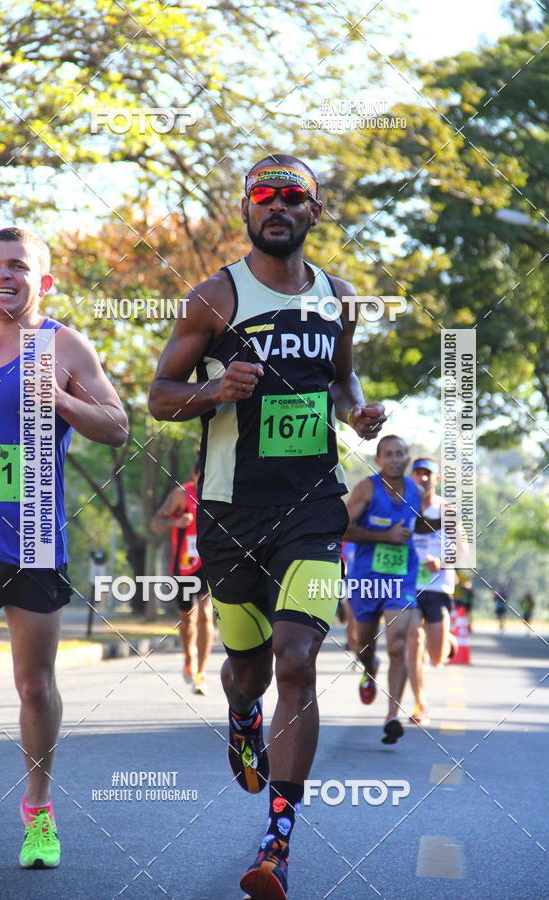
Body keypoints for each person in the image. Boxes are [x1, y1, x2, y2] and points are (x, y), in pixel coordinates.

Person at [149, 153, 386, 899]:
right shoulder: (214, 297)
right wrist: (216, 388)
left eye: (292, 196)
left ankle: (276, 843)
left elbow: (341, 379)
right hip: (231, 513)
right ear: (247, 209)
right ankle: (242, 710)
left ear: (314, 211)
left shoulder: (338, 299)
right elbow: (158, 395)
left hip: (312, 509)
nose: (276, 206)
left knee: (297, 657)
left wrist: (357, 412)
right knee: (249, 668)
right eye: (263, 196)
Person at [0, 227, 128, 867]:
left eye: (18, 266)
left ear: (43, 281)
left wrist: (57, 397)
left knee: (33, 684)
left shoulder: (63, 345)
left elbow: (118, 427)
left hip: (34, 534)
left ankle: (38, 806)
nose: (3, 275)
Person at [344, 435, 431, 745]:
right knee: (363, 646)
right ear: (378, 459)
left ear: (407, 457)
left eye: (400, 453)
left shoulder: (417, 491)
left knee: (398, 643)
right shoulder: (366, 489)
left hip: (401, 578)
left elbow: (419, 525)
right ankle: (369, 669)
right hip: (367, 578)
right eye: (389, 454)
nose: (395, 459)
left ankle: (392, 715)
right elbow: (342, 528)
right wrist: (384, 535)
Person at [151, 462, 214, 694]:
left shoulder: (219, 495)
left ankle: (201, 673)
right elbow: (156, 523)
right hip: (184, 566)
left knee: (206, 615)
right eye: (201, 476)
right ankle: (189, 657)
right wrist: (175, 522)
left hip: (209, 564)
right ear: (194, 474)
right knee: (187, 617)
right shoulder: (181, 495)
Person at [406, 457, 459, 726]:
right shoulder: (403, 508)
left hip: (438, 586)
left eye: (428, 474)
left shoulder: (447, 510)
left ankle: (446, 640)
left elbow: (462, 549)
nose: (423, 478)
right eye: (418, 473)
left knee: (437, 656)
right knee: (414, 641)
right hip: (409, 586)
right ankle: (421, 704)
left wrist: (441, 561)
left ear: (436, 478)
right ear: (412, 477)